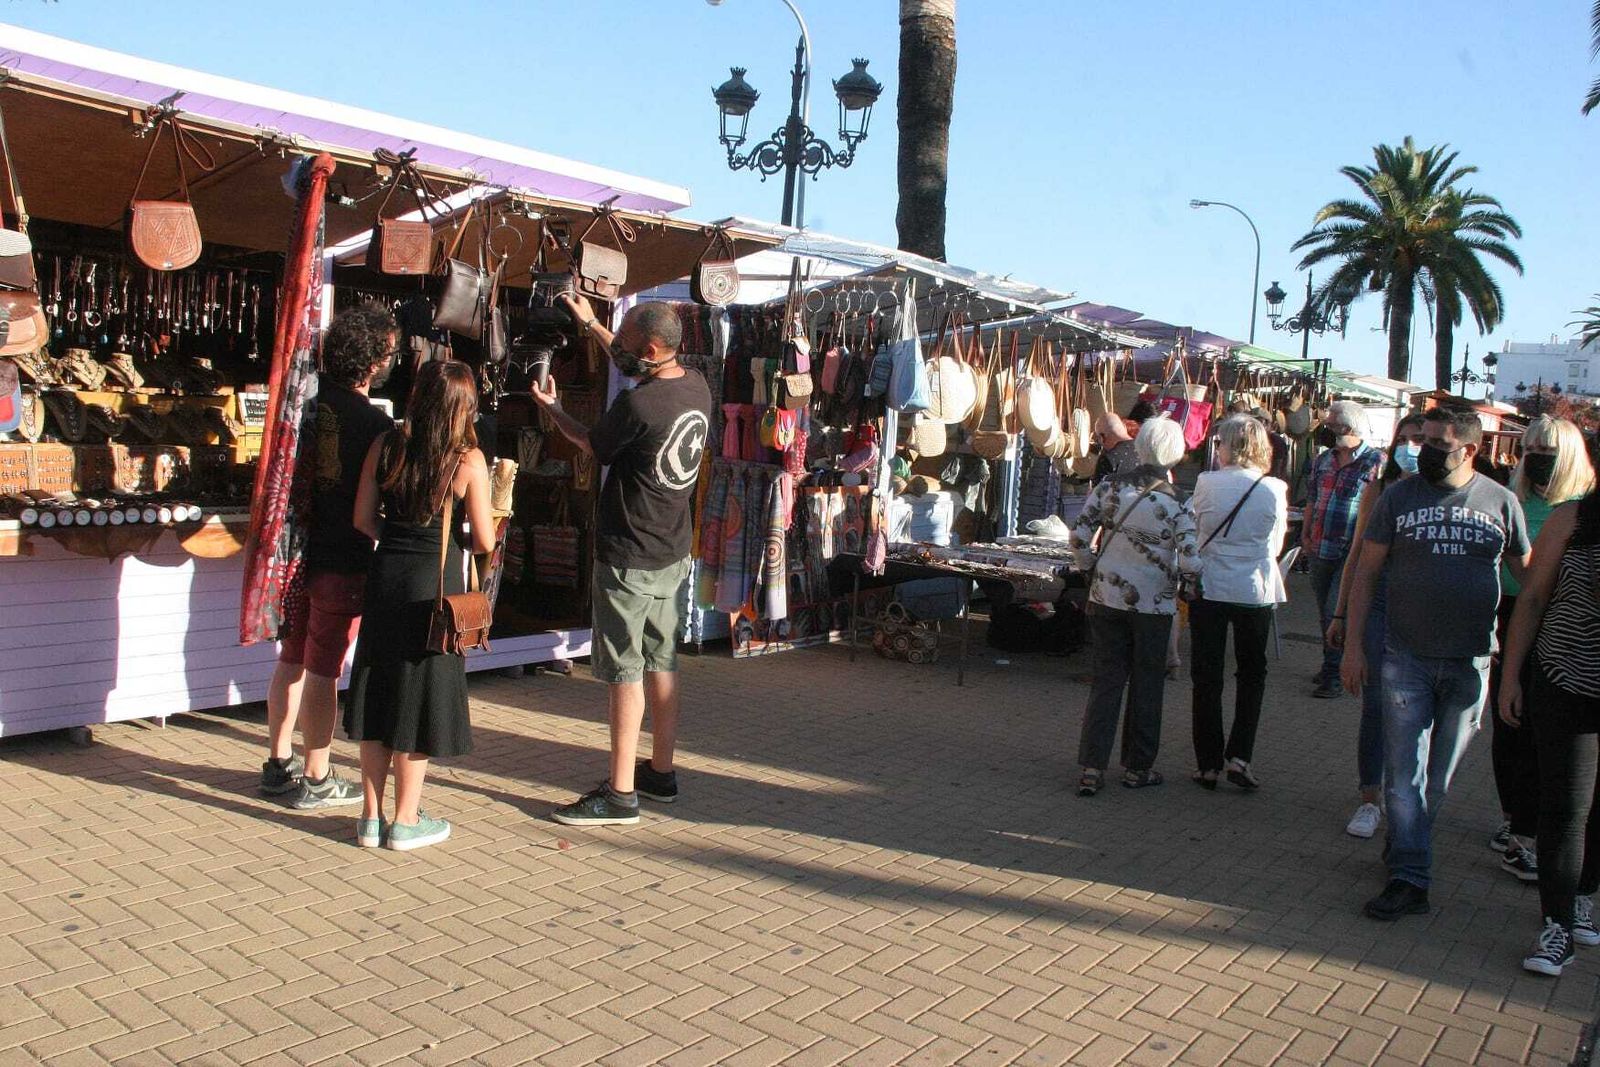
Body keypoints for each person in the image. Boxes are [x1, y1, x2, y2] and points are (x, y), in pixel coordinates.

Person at [1341, 406, 1530, 920]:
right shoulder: (1398, 497)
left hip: (1471, 664)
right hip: (1406, 659)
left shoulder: (1501, 502)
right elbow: (1366, 573)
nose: (1421, 450)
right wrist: (1353, 644)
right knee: (1404, 776)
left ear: (1469, 450)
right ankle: (1410, 878)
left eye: (1436, 443)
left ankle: (1406, 846)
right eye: (1420, 439)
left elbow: (1529, 581)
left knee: (1437, 780)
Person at [532, 297, 711, 826]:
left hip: (629, 554)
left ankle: (620, 793)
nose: (622, 355)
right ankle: (661, 773)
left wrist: (551, 408)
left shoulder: (639, 407)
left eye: (630, 346)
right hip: (671, 551)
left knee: (624, 671)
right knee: (662, 662)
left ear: (652, 350)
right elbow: (633, 359)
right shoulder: (694, 384)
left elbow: (589, 442)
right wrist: (591, 324)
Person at [344, 361, 494, 850]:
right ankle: (406, 820)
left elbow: (363, 520)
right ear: (462, 408)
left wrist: (400, 537)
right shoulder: (466, 460)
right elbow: (484, 540)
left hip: (387, 575)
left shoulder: (386, 445)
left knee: (377, 692)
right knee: (416, 699)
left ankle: (370, 817)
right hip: (436, 584)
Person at [259, 306, 396, 807]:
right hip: (342, 557)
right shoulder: (375, 425)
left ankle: (278, 762)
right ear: (374, 360)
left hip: (295, 553)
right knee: (323, 669)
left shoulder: (305, 406)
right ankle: (316, 776)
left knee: (292, 659)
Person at [1489, 417, 1597, 881]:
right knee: (1507, 724)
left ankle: (1537, 829)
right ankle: (1517, 818)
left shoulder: (1582, 508)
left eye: (1547, 448)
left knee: (1543, 736)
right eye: (1530, 446)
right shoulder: (1512, 498)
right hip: (1507, 614)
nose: (1535, 456)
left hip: (1565, 631)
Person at [1069, 417, 1199, 796]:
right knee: (1147, 685)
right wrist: (1188, 583)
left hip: (1106, 598)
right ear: (1175, 454)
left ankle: (1092, 767)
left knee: (1107, 682)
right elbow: (1190, 559)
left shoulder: (1110, 487)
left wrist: (1089, 568)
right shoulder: (1179, 501)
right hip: (1154, 607)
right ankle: (1137, 768)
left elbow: (1078, 535)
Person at [1500, 488, 1600, 975]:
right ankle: (1557, 925)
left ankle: (1584, 894)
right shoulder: (1573, 518)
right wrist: (1511, 675)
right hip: (1566, 679)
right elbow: (1534, 596)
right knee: (1566, 806)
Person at [1327, 413, 1426, 839]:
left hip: (1427, 613)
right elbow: (1357, 556)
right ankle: (1370, 798)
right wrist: (1342, 613)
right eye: (1405, 439)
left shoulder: (1454, 496)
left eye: (1421, 439)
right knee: (1376, 706)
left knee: (1419, 713)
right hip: (1381, 607)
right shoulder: (1380, 489)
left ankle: (1409, 797)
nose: (1413, 448)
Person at [1188, 416, 1288, 791]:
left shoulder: (1206, 483)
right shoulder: (1274, 488)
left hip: (1211, 585)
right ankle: (1240, 755)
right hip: (1254, 589)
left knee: (1207, 675)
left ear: (1227, 446)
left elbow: (1196, 530)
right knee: (1251, 674)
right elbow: (1275, 545)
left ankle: (1208, 763)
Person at [1303, 401, 1386, 699]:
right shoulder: (1323, 460)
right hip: (1320, 545)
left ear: (1349, 428)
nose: (1325, 429)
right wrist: (1305, 532)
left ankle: (1334, 674)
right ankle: (1330, 662)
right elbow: (1313, 497)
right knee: (1324, 610)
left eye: (1330, 425)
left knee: (1335, 611)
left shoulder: (1375, 461)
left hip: (1353, 550)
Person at [1090, 412, 1137, 483]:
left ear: (1102, 438)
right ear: (1124, 427)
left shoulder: (1108, 459)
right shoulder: (1146, 449)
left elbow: (1097, 492)